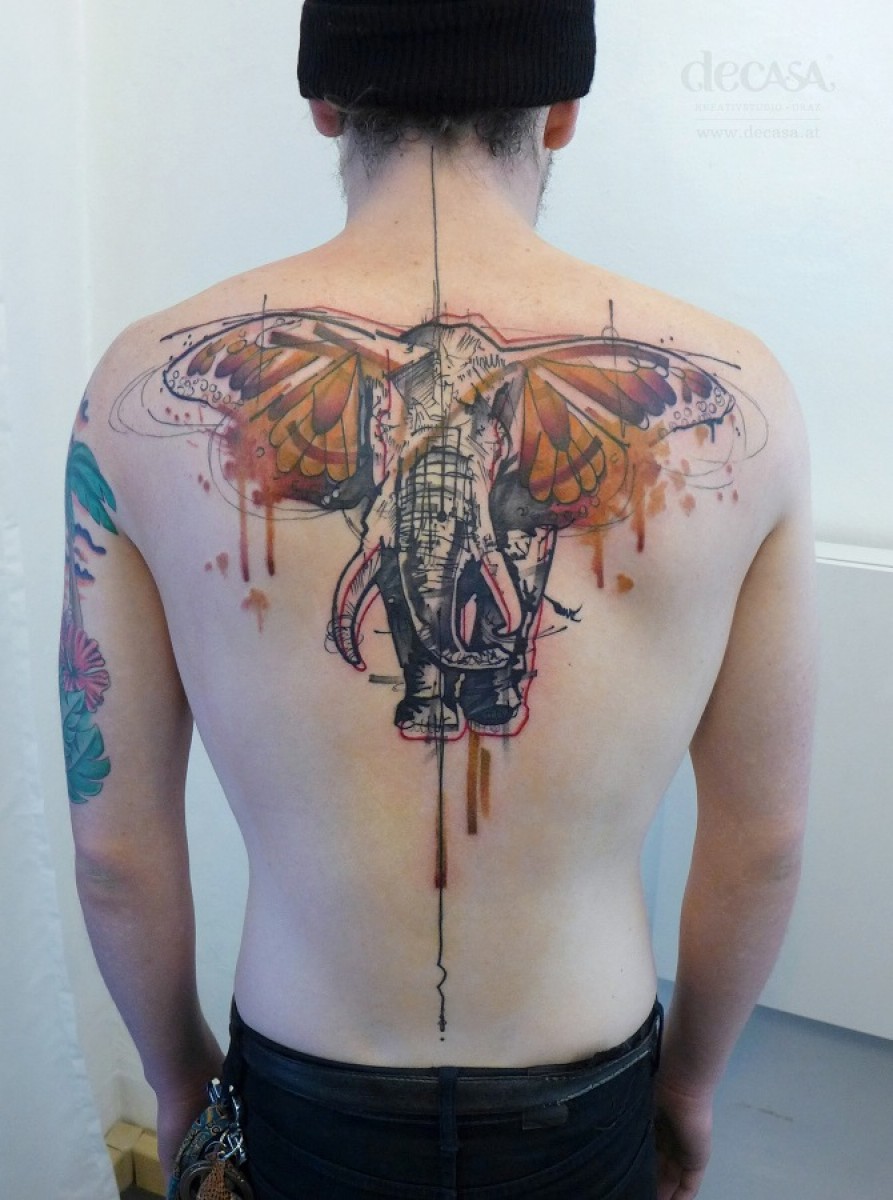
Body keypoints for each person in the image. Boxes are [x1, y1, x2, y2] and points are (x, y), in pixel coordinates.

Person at [60, 2, 816, 1197]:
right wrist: (686, 1093)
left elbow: (114, 852)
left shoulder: (132, 387)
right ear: (561, 114)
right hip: (582, 1099)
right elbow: (761, 845)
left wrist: (177, 1079)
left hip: (300, 1086)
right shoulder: (747, 399)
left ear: (323, 104)